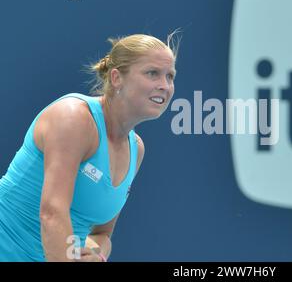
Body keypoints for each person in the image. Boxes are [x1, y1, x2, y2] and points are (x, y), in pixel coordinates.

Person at [0, 33, 178, 261]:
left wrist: (96, 254)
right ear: (116, 78)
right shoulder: (73, 118)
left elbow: (101, 234)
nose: (164, 86)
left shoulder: (137, 149)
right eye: (152, 73)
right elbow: (52, 213)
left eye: (170, 76)